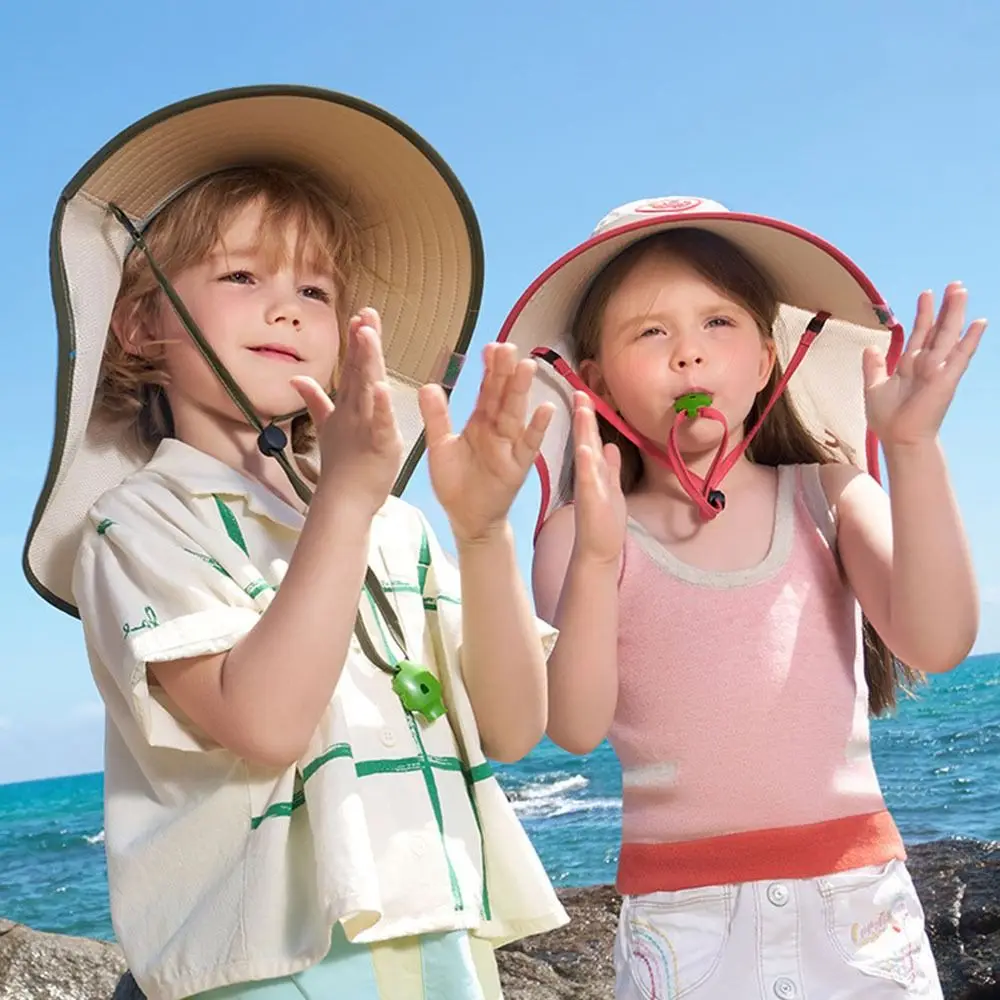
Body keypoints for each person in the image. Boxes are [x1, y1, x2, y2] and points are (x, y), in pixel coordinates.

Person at [22, 85, 566, 1000]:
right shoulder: (140, 523)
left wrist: (479, 533)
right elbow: (266, 725)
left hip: (441, 929)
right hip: (274, 960)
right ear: (141, 323)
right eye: (243, 277)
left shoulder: (396, 524)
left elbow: (515, 727)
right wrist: (346, 500)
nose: (287, 310)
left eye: (314, 290)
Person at [500, 195, 983, 998]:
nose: (688, 356)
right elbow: (575, 726)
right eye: (650, 332)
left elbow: (938, 640)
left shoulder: (827, 490)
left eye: (717, 324)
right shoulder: (579, 534)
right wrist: (595, 554)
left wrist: (912, 447)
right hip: (682, 918)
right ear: (593, 383)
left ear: (765, 359)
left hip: (855, 900)